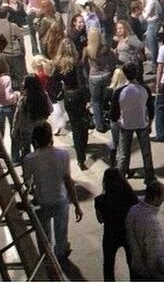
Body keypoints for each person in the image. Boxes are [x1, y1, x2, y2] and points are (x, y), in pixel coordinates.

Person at [22, 122, 83, 263]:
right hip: (60, 199)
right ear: (51, 138)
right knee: (61, 234)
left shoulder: (29, 159)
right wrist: (76, 205)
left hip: (41, 201)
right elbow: (68, 181)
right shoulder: (63, 154)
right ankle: (60, 257)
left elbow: (27, 183)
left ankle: (47, 260)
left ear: (35, 141)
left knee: (44, 236)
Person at [110, 62, 156, 184]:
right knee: (146, 153)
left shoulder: (119, 92)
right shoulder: (144, 89)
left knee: (123, 154)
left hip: (125, 125)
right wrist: (150, 123)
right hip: (142, 124)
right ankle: (149, 177)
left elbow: (113, 114)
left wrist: (118, 122)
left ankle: (120, 180)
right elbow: (151, 109)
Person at [94, 168, 138, 282]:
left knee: (108, 264)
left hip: (110, 234)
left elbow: (100, 220)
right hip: (127, 233)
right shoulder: (130, 196)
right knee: (132, 262)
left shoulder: (100, 200)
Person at [53, 38, 89, 170]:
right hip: (79, 95)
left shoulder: (58, 64)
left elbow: (54, 80)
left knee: (75, 125)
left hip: (68, 96)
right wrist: (88, 98)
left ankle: (80, 157)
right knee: (83, 123)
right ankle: (83, 147)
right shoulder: (78, 63)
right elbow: (83, 81)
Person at [125, 180, 164, 281]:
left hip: (136, 266)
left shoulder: (133, 210)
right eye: (163, 196)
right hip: (149, 274)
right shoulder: (151, 222)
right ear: (156, 198)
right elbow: (154, 255)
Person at [11, 75, 52, 165]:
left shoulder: (24, 99)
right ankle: (41, 166)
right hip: (40, 128)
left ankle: (28, 169)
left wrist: (14, 130)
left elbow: (18, 116)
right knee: (40, 149)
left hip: (26, 129)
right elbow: (51, 109)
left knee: (26, 151)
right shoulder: (44, 95)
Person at [83, 27, 117, 133]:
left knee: (95, 101)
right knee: (104, 99)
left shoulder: (87, 50)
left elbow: (83, 64)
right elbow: (113, 60)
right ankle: (107, 119)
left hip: (94, 77)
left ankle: (99, 125)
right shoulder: (105, 48)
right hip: (106, 75)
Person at [0, 6, 27, 91]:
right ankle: (21, 92)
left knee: (9, 75)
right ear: (7, 14)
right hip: (15, 53)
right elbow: (21, 39)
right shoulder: (12, 26)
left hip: (4, 54)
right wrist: (23, 50)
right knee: (20, 76)